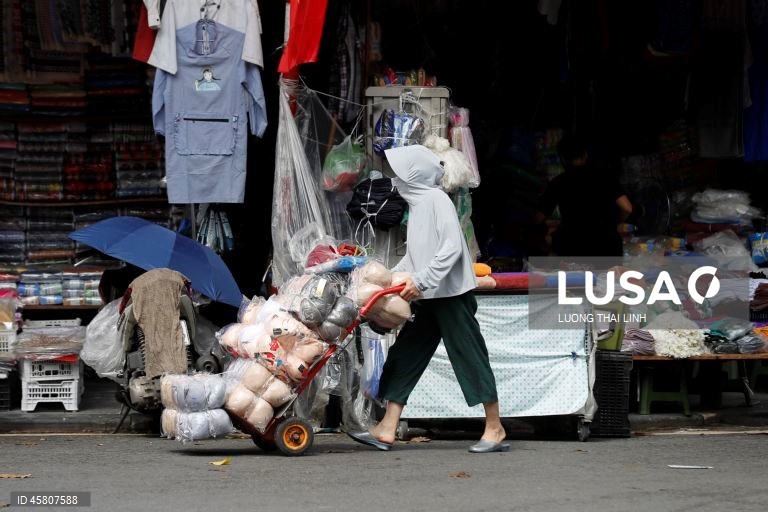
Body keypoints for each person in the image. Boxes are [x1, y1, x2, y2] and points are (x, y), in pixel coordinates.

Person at [347, 145, 509, 453]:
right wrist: (384, 280)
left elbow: (450, 249)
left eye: (400, 172)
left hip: (450, 295)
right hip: (429, 295)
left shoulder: (437, 200)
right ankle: (387, 427)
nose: (395, 179)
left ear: (415, 174)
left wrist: (421, 281)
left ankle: (495, 427)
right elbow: (415, 256)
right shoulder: (417, 205)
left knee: (469, 355)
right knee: (406, 353)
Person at [533, 132, 633, 257]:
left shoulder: (558, 182)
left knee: (548, 243)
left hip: (574, 247)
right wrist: (615, 223)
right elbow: (627, 208)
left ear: (562, 159)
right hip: (608, 247)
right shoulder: (605, 175)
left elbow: (538, 219)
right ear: (585, 155)